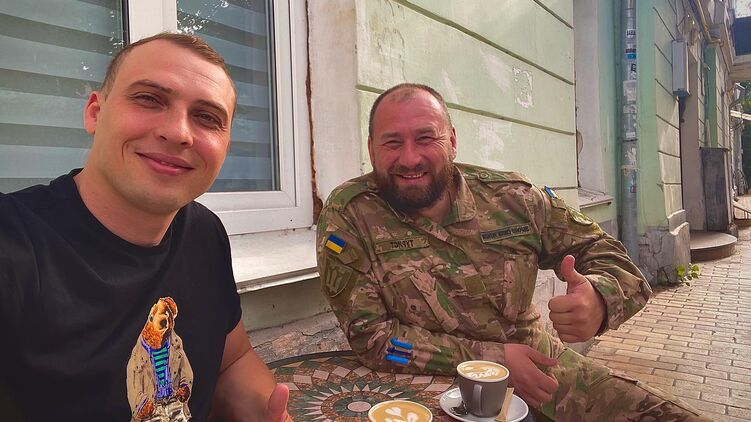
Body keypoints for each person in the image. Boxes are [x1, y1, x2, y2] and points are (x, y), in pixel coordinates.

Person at [316, 83, 709, 421]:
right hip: (424, 389)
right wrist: (493, 359)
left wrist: (600, 299)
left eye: (425, 138)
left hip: (544, 375)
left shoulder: (513, 200)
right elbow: (374, 339)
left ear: (452, 140)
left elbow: (605, 252)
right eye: (392, 142)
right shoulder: (350, 216)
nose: (409, 158)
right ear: (371, 149)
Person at [0, 33, 291, 422]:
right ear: (95, 113)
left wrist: (267, 411)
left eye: (207, 117)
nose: (179, 132)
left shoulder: (204, 233)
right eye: (149, 99)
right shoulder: (14, 243)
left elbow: (231, 360)